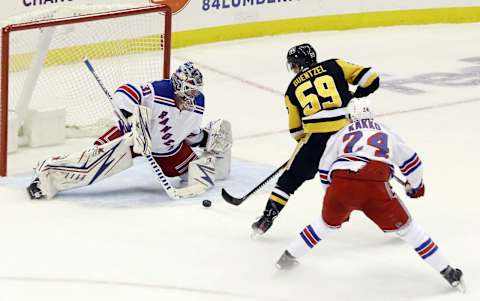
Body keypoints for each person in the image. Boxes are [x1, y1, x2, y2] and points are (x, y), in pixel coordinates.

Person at [275, 98, 465, 293]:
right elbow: (413, 162)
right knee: (409, 230)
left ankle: (287, 258)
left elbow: (324, 170)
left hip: (340, 182)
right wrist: (416, 187)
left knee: (324, 225)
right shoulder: (386, 132)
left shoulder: (341, 133)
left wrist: (334, 194)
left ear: (350, 117)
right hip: (374, 182)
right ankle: (449, 272)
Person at [27, 62, 232, 200]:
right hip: (133, 137)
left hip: (169, 152)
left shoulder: (198, 104)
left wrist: (206, 139)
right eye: (189, 90)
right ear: (177, 85)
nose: (193, 94)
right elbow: (125, 91)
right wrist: (131, 117)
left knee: (201, 171)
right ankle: (47, 173)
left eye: (196, 90)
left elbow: (190, 134)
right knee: (91, 163)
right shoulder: (157, 90)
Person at [252, 43, 380, 236]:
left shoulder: (291, 90)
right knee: (366, 170)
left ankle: (267, 218)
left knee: (289, 180)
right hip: (348, 134)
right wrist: (353, 99)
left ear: (300, 64)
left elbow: (296, 131)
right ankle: (388, 207)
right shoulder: (335, 65)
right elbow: (372, 78)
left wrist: (309, 147)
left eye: (294, 65)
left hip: (315, 140)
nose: (294, 69)